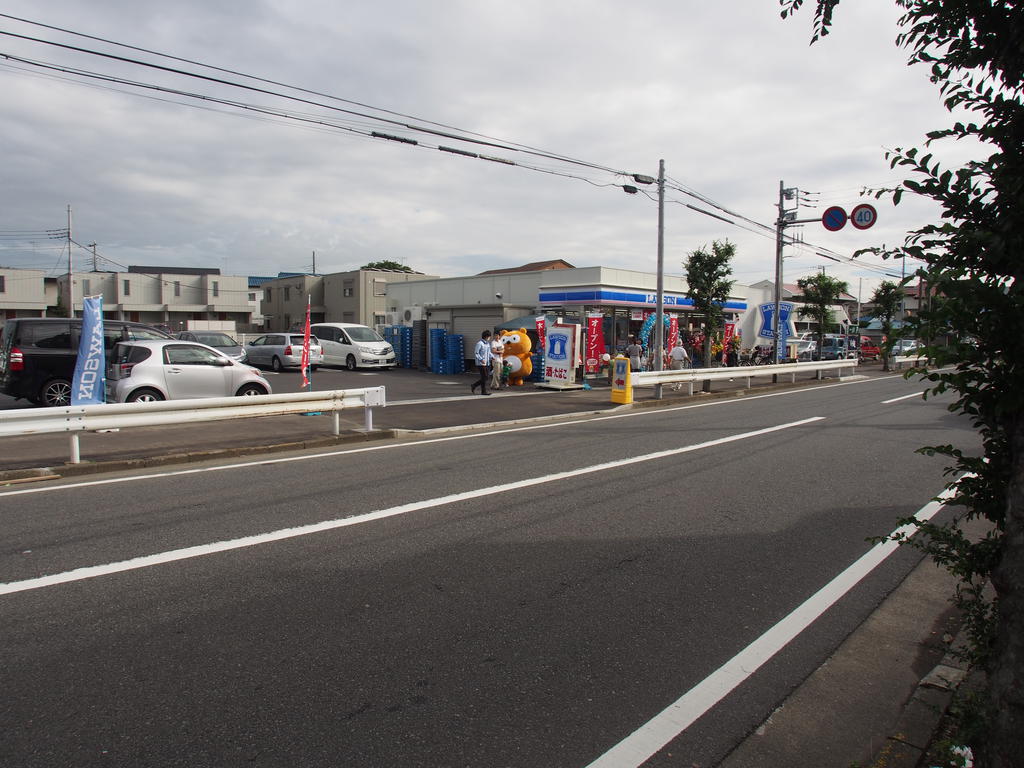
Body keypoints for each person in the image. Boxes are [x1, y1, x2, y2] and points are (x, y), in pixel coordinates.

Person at [471, 330, 492, 395]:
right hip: (481, 363)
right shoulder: (479, 343)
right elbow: (476, 353)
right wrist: (481, 359)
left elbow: (489, 352)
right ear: (486, 336)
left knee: (485, 377)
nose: (490, 338)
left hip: (487, 362)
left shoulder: (487, 344)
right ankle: (477, 387)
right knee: (485, 377)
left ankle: (479, 389)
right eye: (489, 336)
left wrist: (492, 357)